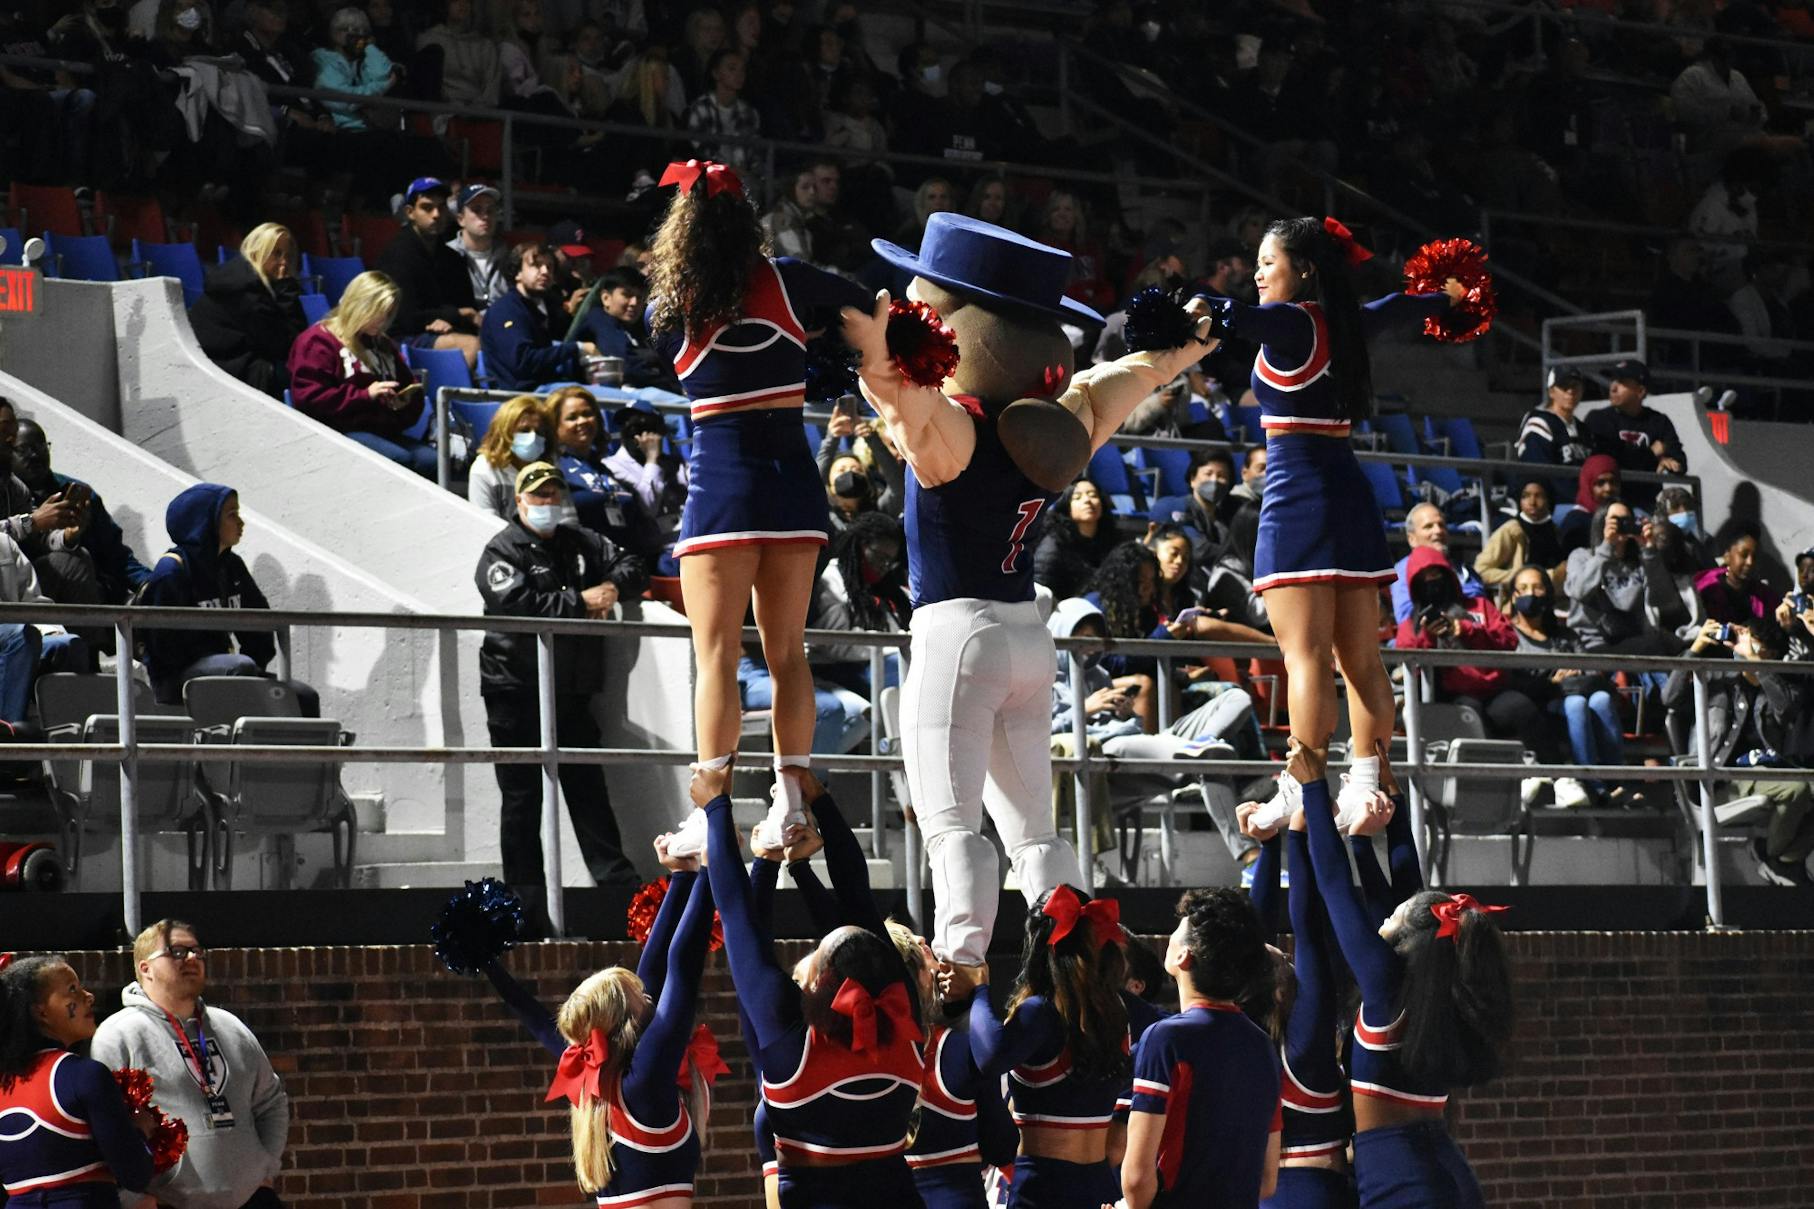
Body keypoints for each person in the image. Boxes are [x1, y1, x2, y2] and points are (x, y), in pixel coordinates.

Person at [642, 160, 873, 858]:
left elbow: (659, 355)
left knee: (716, 656)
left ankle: (709, 819)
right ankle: (790, 801)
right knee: (788, 655)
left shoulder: (674, 302)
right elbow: (866, 301)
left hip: (722, 493)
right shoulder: (792, 282)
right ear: (748, 220)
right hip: (794, 489)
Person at [694, 762, 926, 1209]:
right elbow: (857, 902)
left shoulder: (793, 1044)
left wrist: (717, 808)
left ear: (821, 982)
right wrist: (813, 812)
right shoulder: (905, 1026)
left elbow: (742, 922)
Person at [1292, 743, 1513, 1209]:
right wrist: (1385, 815)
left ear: (1406, 936)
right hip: (1445, 1169)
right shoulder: (1432, 988)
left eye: (1392, 916)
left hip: (1400, 1175)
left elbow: (1337, 890)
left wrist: (1315, 790)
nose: (1382, 915)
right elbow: (1410, 896)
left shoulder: (1388, 987)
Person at [481, 836, 721, 1204]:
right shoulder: (645, 1082)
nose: (648, 995)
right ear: (627, 1023)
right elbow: (682, 969)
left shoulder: (604, 1075)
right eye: (639, 996)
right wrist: (706, 872)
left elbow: (533, 1014)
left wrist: (682, 877)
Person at [475, 461, 646, 891]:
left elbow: (632, 566)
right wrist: (581, 600)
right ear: (519, 501)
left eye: (554, 493)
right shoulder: (502, 550)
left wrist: (611, 589)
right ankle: (526, 904)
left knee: (589, 789)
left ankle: (617, 890)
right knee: (521, 800)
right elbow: (518, 605)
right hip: (514, 690)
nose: (548, 502)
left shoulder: (582, 542)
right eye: (538, 494)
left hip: (571, 690)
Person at [89, 920, 290, 1209]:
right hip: (170, 1201)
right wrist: (131, 1195)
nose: (192, 958)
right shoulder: (119, 1034)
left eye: (197, 951)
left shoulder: (230, 1026)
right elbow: (104, 1126)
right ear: (145, 969)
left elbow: (271, 1102)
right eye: (177, 952)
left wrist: (266, 1166)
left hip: (252, 1198)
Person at [959, 886, 1131, 1209]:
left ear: (1038, 946)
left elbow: (990, 1055)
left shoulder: (1041, 1012)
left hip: (1043, 1187)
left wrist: (980, 988)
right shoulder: (1114, 1012)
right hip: (1100, 1185)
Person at [1119, 888, 1280, 1209]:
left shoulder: (1165, 1039)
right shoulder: (1262, 1045)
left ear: (1184, 955)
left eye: (1178, 931)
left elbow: (1136, 1181)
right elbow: (1266, 1181)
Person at [139, 485, 316, 712]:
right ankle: (242, 745)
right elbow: (162, 649)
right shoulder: (172, 570)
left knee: (303, 697)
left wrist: (256, 665)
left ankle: (291, 747)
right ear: (205, 521)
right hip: (176, 678)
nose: (241, 523)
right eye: (232, 515)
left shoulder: (231, 566)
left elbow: (259, 625)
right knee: (239, 667)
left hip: (228, 667)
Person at [0, 954, 156, 1206]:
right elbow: (135, 1174)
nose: (89, 996)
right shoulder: (84, 1076)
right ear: (42, 1012)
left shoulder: (5, 1082)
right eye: (72, 990)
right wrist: (139, 1130)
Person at [285, 270, 437, 477]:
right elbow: (309, 399)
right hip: (338, 430)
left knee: (433, 461)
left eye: (388, 313)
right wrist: (365, 395)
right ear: (359, 306)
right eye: (378, 312)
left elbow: (411, 389)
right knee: (400, 461)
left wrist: (403, 403)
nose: (383, 320)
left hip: (383, 429)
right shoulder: (317, 341)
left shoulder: (382, 344)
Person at [1396, 546, 1540, 749]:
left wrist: (1467, 630)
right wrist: (1428, 636)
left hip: (1494, 689)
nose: (1432, 582)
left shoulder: (1479, 606)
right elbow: (1409, 664)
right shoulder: (1411, 624)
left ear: (1447, 575)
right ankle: (1487, 775)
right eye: (1424, 578)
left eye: (1436, 574)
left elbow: (1508, 640)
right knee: (1468, 713)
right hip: (1449, 697)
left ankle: (1553, 775)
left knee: (1521, 708)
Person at [1504, 565, 1621, 808]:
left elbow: (1591, 669)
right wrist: (1551, 682)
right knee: (1576, 704)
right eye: (1523, 589)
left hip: (1578, 692)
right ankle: (1591, 783)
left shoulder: (1565, 635)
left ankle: (1615, 780)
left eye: (1537, 588)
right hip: (1543, 705)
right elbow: (1515, 680)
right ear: (1513, 596)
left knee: (1601, 700)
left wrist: (1575, 673)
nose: (1531, 594)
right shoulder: (1509, 636)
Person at [10, 417, 151, 607]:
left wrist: (148, 583)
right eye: (24, 449)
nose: (35, 455)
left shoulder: (80, 494)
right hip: (33, 597)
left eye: (41, 446)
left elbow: (115, 554)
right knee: (70, 560)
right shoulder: (9, 497)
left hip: (98, 593)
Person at [547, 387, 666, 565]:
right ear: (555, 426)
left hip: (633, 565)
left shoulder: (603, 468)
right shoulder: (554, 469)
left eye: (588, 414)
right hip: (593, 568)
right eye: (572, 417)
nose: (582, 421)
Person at [372, 177, 483, 367]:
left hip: (440, 331)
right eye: (427, 207)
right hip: (397, 339)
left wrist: (450, 320)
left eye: (441, 207)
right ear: (410, 212)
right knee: (471, 345)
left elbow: (466, 306)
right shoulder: (397, 255)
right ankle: (447, 396)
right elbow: (404, 319)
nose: (436, 214)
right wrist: (455, 315)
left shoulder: (452, 258)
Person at [187, 223, 307, 399]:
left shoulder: (241, 279)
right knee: (302, 380)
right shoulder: (248, 293)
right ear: (256, 252)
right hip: (226, 373)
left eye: (288, 256)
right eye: (276, 253)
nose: (284, 263)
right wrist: (287, 290)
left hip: (223, 366)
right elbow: (287, 346)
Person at [479, 241, 597, 392]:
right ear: (517, 273)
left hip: (547, 387)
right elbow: (523, 362)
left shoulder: (544, 307)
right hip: (521, 397)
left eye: (549, 267)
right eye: (536, 265)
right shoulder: (506, 309)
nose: (545, 271)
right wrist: (577, 348)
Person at [1582, 360, 1683, 512]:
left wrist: (1670, 461)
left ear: (1640, 391)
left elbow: (1680, 461)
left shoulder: (1659, 421)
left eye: (1621, 383)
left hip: (1646, 506)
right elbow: (1610, 459)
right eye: (1613, 381)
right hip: (1607, 507)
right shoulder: (1598, 418)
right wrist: (1651, 454)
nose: (1613, 387)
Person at [1390, 503, 1486, 626]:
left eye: (1441, 525)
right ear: (1412, 539)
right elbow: (1407, 620)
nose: (1438, 530)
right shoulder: (1403, 571)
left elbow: (1482, 609)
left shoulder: (1464, 570)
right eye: (1428, 527)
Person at [602, 407, 688, 535]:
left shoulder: (676, 464)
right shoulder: (611, 466)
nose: (638, 434)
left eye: (646, 428)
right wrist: (652, 460)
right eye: (629, 426)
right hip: (653, 546)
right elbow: (647, 509)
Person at [1033, 478, 1122, 602]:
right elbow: (1040, 590)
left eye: (1093, 495)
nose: (1087, 501)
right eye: (1077, 497)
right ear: (1067, 506)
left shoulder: (1112, 540)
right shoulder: (1054, 544)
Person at [1474, 478, 1566, 596]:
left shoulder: (1556, 531)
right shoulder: (1511, 530)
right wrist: (1521, 578)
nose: (1532, 502)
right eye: (1526, 496)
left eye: (1539, 496)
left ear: (1549, 500)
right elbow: (1481, 570)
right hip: (1518, 604)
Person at [1514, 367, 1592, 502]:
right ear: (1551, 391)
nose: (1570, 391)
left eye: (1575, 386)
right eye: (1564, 386)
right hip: (1549, 503)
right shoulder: (1539, 422)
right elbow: (1541, 473)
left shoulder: (1584, 429)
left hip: (1583, 501)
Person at [468, 394, 552, 520]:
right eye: (524, 430)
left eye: (539, 432)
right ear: (505, 432)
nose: (533, 437)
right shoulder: (484, 470)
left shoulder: (549, 470)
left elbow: (566, 522)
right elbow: (487, 526)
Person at [817, 404, 905, 520]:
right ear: (829, 484)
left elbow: (897, 487)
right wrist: (832, 437)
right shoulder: (824, 515)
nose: (850, 472)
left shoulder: (881, 510)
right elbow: (814, 481)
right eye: (841, 470)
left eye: (857, 470)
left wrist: (871, 437)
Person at [1696, 525, 1778, 627]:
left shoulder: (1766, 597)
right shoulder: (1705, 590)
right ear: (1727, 556)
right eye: (1743, 555)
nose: (1750, 562)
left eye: (1755, 557)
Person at [446, 182, 508, 303]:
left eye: (490, 210)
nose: (485, 216)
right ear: (461, 219)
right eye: (476, 209)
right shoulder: (445, 255)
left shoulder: (508, 257)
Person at [1558, 453, 1622, 555]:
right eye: (1600, 483)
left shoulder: (1625, 516)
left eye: (1613, 482)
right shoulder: (1576, 522)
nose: (1608, 488)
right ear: (1587, 485)